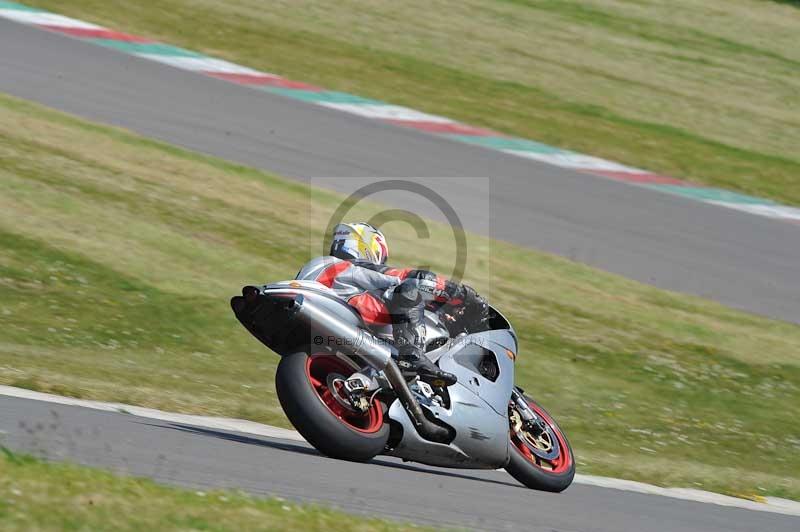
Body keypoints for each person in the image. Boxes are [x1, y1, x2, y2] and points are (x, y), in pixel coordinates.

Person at [296, 222, 488, 386]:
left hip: (321, 323)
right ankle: (412, 356)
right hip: (343, 310)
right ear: (368, 247)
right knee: (411, 288)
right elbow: (412, 278)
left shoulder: (324, 269)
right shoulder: (351, 267)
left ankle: (370, 378)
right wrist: (462, 295)